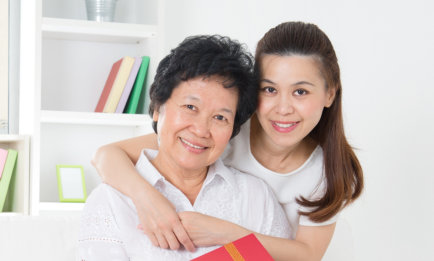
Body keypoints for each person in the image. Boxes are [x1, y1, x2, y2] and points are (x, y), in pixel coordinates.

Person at [92, 21, 364, 260]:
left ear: (330, 94)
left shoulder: (329, 171)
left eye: (300, 92)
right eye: (269, 89)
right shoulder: (224, 131)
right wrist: (148, 199)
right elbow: (107, 155)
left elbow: (307, 255)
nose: (283, 108)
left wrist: (225, 232)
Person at [78, 35, 290, 260]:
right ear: (158, 108)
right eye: (190, 107)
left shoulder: (255, 196)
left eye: (220, 117)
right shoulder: (111, 201)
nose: (201, 130)